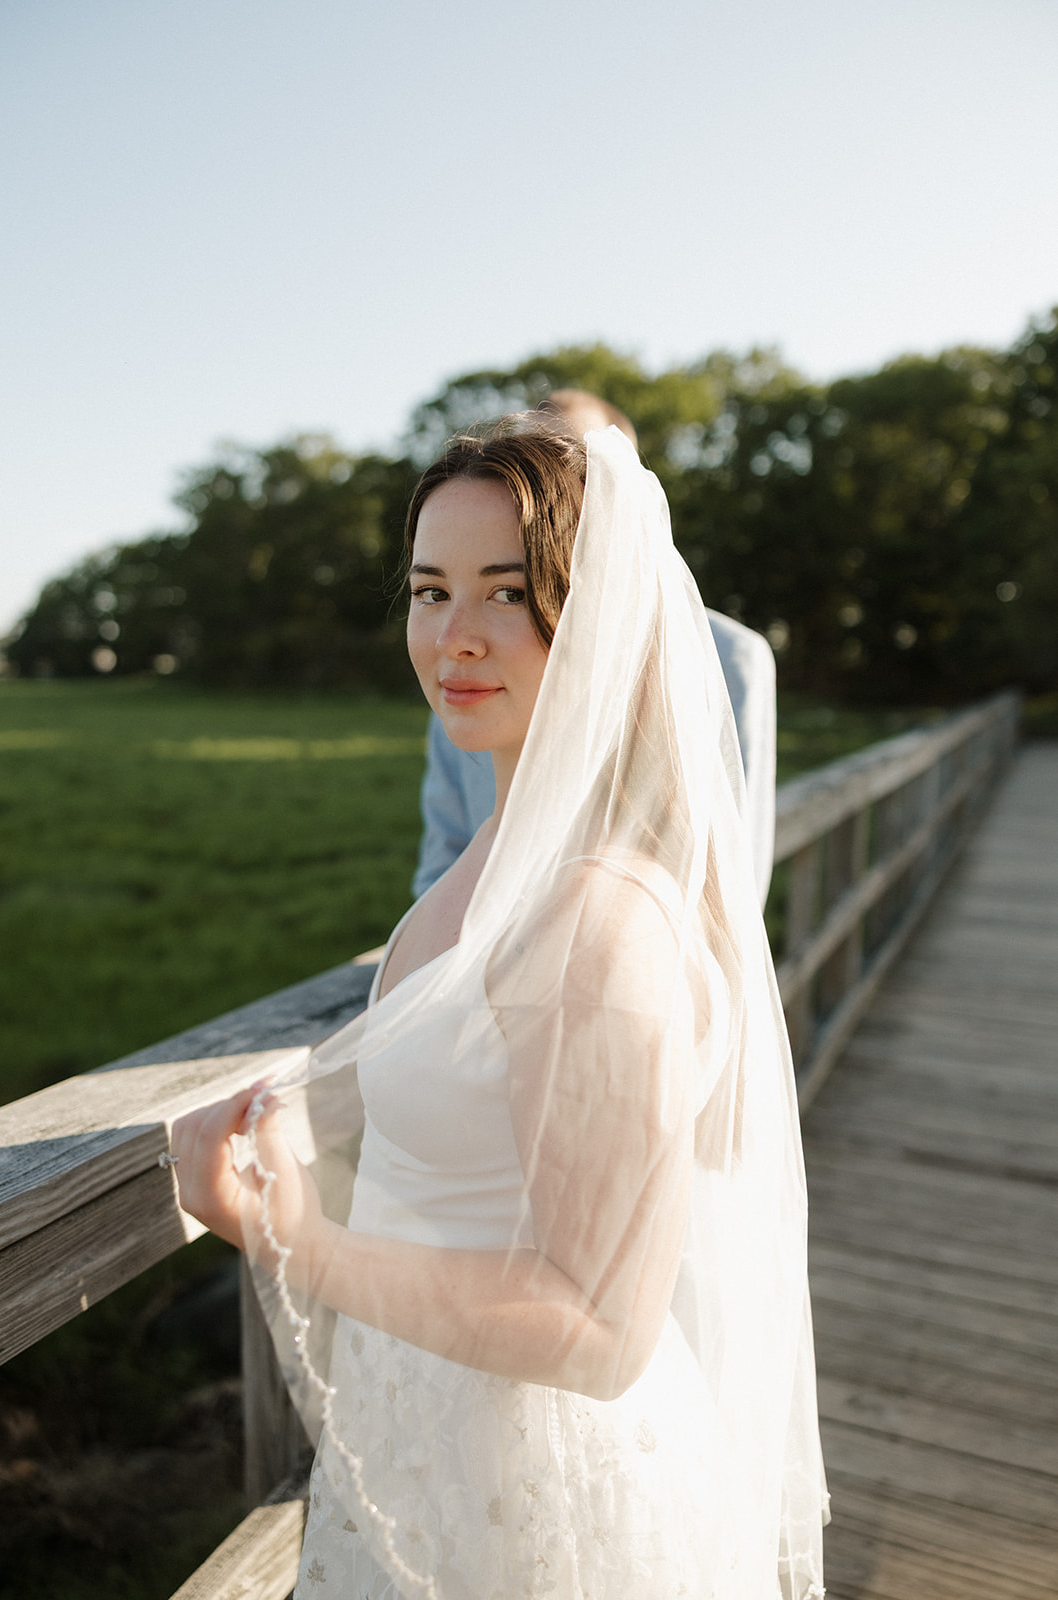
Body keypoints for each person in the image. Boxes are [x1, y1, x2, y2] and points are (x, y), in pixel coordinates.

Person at [171, 421, 826, 1600]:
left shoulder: (597, 922)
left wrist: (290, 1238)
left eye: (509, 593)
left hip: (536, 1503)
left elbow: (595, 1326)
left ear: (599, 621)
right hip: (427, 1454)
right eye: (429, 589)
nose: (452, 635)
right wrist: (295, 1105)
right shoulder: (497, 855)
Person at [413, 390, 777, 906]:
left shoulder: (727, 659)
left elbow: (730, 872)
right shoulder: (468, 673)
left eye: (580, 465)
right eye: (431, 593)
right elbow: (443, 856)